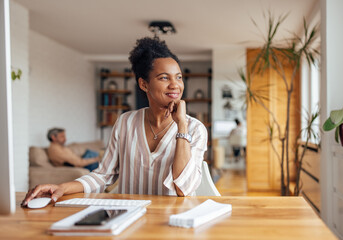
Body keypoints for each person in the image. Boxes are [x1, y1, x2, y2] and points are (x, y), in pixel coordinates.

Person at [21, 37, 208, 207]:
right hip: (128, 219)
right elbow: (104, 175)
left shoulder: (195, 128)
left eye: (179, 77)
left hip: (174, 223)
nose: (175, 85)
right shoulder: (126, 122)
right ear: (144, 84)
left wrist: (181, 125)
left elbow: (183, 188)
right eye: (164, 78)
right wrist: (61, 188)